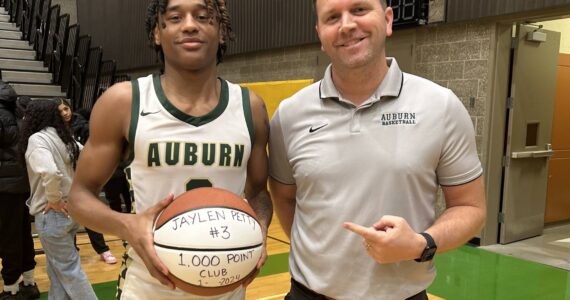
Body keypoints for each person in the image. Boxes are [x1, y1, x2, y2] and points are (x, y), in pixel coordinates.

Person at [268, 0, 487, 299]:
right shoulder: (289, 115)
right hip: (307, 294)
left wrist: (421, 244)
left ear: (387, 20)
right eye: (332, 17)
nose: (346, 25)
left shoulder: (441, 106)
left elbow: (471, 208)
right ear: (320, 35)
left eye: (359, 10)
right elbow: (283, 195)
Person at [67, 0, 273, 299]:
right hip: (147, 289)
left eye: (203, 16)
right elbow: (78, 196)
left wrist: (260, 232)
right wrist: (127, 225)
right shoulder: (124, 102)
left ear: (222, 32)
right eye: (175, 17)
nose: (190, 24)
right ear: (156, 33)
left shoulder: (249, 107)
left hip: (227, 287)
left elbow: (258, 193)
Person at [18, 99, 97, 300]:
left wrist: (54, 198)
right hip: (69, 212)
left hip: (53, 213)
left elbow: (50, 172)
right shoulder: (64, 136)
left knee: (69, 270)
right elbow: (89, 156)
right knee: (57, 269)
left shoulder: (38, 139)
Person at [55, 98, 117, 265]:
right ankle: (73, 250)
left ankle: (103, 249)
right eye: (60, 111)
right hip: (66, 178)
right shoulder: (55, 130)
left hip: (84, 176)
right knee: (69, 217)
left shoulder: (82, 124)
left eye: (66, 109)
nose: (65, 113)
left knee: (90, 214)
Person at [0, 86, 39, 300]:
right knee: (23, 234)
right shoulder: (17, 108)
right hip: (22, 182)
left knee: (9, 237)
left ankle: (10, 288)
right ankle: (29, 282)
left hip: (6, 186)